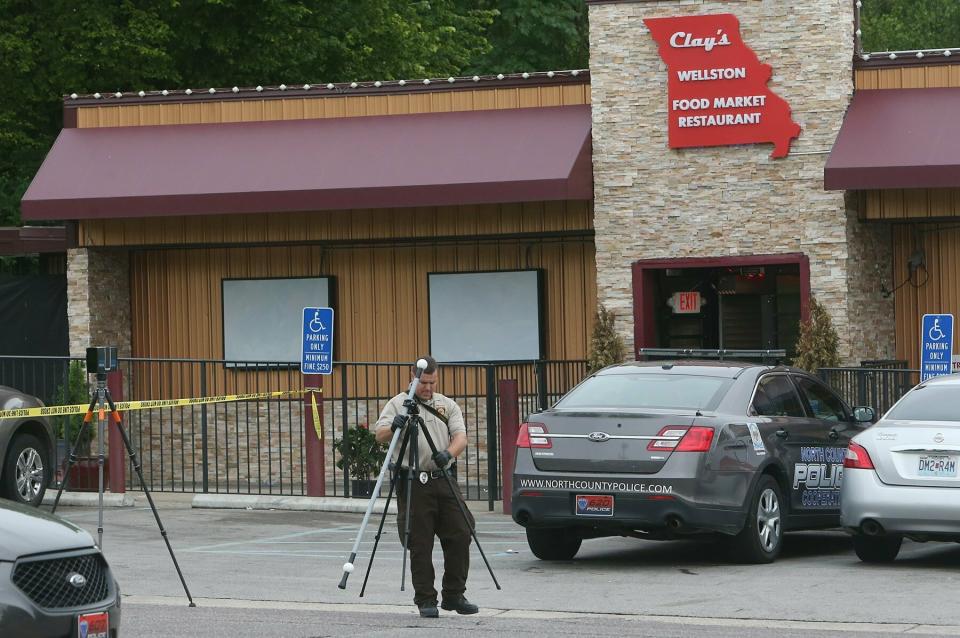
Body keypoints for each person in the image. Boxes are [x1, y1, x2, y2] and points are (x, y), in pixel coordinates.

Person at [374, 356, 478, 618]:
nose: (428, 388)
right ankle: (425, 599)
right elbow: (380, 434)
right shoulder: (398, 403)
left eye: (432, 382)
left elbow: (461, 437)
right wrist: (395, 424)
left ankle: (454, 594)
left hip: (442, 476)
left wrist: (448, 454)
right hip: (412, 480)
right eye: (424, 382)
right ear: (413, 377)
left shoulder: (447, 405)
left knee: (462, 530)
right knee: (420, 542)